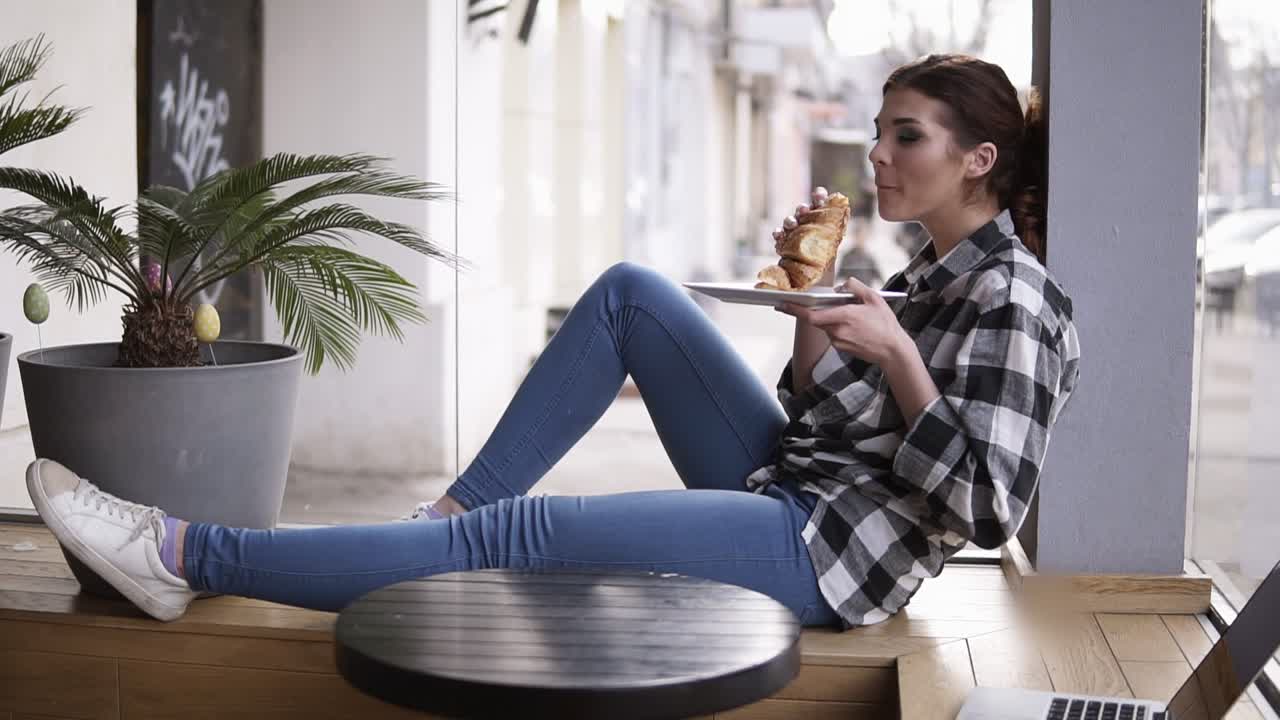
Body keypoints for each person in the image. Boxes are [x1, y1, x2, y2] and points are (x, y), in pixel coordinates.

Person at [25, 54, 1080, 629]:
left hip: (832, 555)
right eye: (880, 131)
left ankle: (182, 554)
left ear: (978, 160)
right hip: (800, 490)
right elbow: (829, 431)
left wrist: (896, 357)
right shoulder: (922, 273)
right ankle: (448, 515)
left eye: (905, 136)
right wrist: (812, 321)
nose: (878, 154)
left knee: (525, 537)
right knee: (630, 295)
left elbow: (985, 511)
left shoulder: (1014, 301)